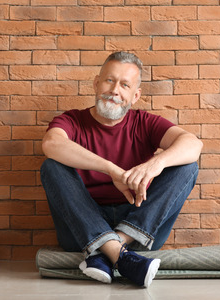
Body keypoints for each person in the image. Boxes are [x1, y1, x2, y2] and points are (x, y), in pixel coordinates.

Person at [40, 51, 202, 287]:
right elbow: (51, 144)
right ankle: (123, 257)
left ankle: (108, 249)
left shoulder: (144, 123)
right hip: (81, 227)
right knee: (51, 166)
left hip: (139, 224)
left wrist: (155, 163)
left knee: (186, 167)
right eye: (109, 80)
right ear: (96, 83)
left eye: (124, 85)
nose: (115, 90)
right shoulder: (72, 120)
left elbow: (193, 144)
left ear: (135, 95)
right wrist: (112, 170)